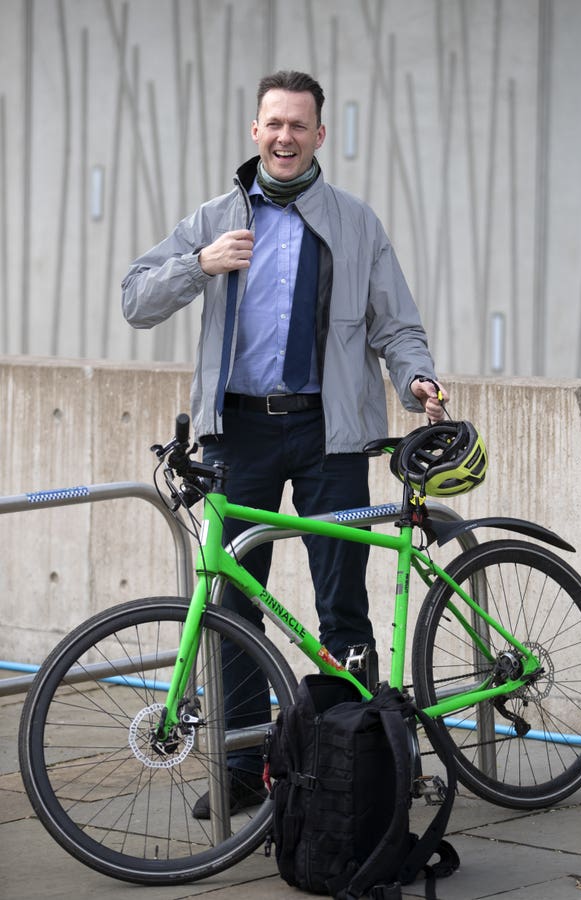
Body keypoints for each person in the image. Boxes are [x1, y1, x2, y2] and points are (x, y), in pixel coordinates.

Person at [122, 70, 448, 817]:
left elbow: (397, 326)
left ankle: (354, 767)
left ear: (320, 135)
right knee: (234, 602)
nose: (285, 137)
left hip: (329, 431)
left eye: (299, 125)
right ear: (254, 129)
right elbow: (134, 297)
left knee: (342, 599)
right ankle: (241, 769)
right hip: (239, 432)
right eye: (273, 123)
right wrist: (197, 265)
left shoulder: (357, 222)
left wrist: (418, 381)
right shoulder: (215, 217)